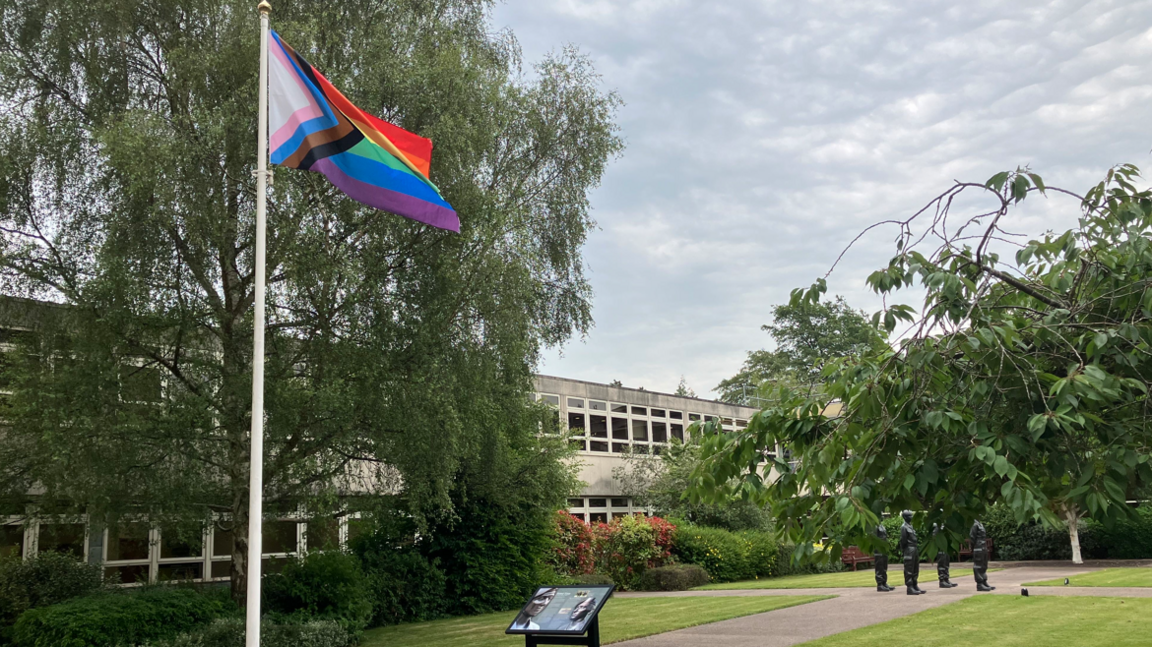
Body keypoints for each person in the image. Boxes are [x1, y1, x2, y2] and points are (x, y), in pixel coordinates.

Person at [898, 510, 925, 595]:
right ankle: (909, 587)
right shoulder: (904, 527)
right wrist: (905, 550)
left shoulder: (910, 526)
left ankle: (915, 584)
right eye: (910, 516)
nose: (911, 517)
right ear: (905, 517)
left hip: (914, 548)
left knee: (915, 568)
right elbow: (903, 540)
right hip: (909, 549)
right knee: (909, 569)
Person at [971, 519, 996, 591]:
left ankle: (984, 581)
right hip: (978, 547)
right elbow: (972, 537)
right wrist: (975, 547)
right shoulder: (974, 524)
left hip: (983, 546)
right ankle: (979, 584)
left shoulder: (979, 524)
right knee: (978, 565)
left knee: (984, 565)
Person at [932, 523, 958, 588]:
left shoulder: (945, 525)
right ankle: (942, 581)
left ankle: (946, 579)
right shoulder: (936, 525)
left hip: (946, 548)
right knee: (942, 564)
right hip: (941, 548)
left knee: (946, 564)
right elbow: (934, 536)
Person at [874, 524, 894, 592]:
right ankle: (879, 584)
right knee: (879, 566)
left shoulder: (882, 526)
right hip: (878, 548)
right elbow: (874, 538)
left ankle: (884, 582)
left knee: (884, 566)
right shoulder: (874, 526)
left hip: (883, 548)